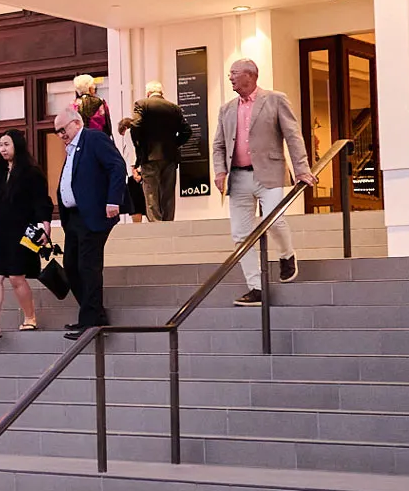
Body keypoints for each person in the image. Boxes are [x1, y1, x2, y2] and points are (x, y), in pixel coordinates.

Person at [211, 58, 315, 306]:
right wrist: (219, 172)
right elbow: (218, 145)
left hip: (269, 172)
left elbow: (293, 135)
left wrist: (302, 168)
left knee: (274, 219)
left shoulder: (275, 99)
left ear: (250, 75)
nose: (230, 77)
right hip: (238, 177)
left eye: (234, 73)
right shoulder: (226, 109)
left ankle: (287, 254)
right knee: (240, 235)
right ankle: (256, 287)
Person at [51, 107, 125, 339]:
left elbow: (117, 166)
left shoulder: (94, 138)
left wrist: (113, 200)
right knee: (72, 267)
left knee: (88, 267)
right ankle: (94, 316)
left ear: (76, 123)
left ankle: (91, 324)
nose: (61, 135)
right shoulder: (71, 149)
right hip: (74, 218)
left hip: (93, 215)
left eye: (63, 129)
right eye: (57, 132)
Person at [0, 130, 52, 340]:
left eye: (7, 144)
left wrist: (46, 225)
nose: (3, 149)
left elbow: (41, 200)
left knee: (17, 277)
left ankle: (30, 317)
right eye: (1, 145)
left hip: (20, 232)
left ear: (17, 145)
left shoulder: (31, 172)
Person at [119, 83, 194, 222]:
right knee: (168, 194)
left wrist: (139, 148)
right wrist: (174, 144)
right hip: (170, 157)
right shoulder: (174, 108)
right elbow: (187, 131)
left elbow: (136, 125)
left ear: (148, 93)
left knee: (151, 194)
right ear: (161, 93)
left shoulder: (142, 104)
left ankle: (156, 226)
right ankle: (168, 225)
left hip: (149, 156)